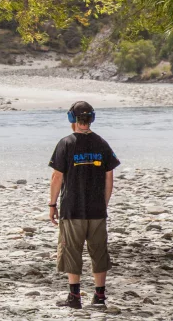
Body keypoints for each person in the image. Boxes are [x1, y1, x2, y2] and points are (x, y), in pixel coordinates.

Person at [48, 101, 120, 309]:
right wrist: (103, 203)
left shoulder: (66, 143)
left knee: (71, 250)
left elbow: (57, 177)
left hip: (72, 209)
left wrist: (52, 204)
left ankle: (75, 297)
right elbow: (109, 178)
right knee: (99, 252)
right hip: (97, 210)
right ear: (92, 119)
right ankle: (99, 297)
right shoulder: (102, 143)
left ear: (72, 119)